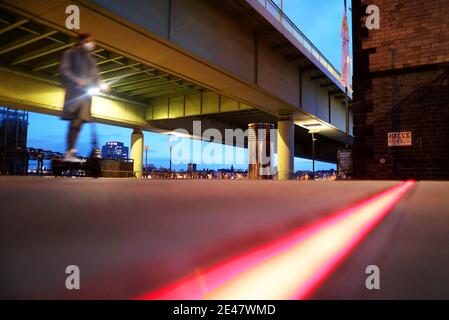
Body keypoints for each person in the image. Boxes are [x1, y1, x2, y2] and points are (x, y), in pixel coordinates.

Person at [59, 33, 109, 162]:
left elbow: (96, 76)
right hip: (74, 92)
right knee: (74, 123)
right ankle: (69, 152)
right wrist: (77, 80)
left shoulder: (91, 59)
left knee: (79, 122)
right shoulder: (70, 53)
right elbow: (64, 70)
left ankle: (72, 152)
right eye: (89, 41)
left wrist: (104, 86)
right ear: (81, 42)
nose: (91, 44)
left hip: (86, 95)